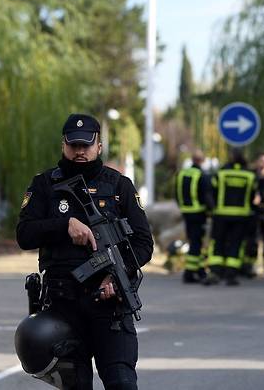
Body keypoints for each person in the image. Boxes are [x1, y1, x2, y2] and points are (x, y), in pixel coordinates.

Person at [16, 113, 153, 389]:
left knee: (123, 383)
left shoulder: (119, 186)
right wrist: (64, 225)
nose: (80, 151)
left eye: (86, 145)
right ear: (63, 145)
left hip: (110, 308)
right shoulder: (44, 185)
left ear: (99, 146)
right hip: (63, 308)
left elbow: (143, 243)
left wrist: (116, 277)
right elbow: (25, 234)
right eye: (73, 145)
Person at [203, 148, 257, 286]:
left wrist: (213, 207)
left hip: (221, 215)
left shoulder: (221, 173)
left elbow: (210, 191)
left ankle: (215, 272)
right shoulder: (249, 175)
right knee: (236, 244)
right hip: (241, 216)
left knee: (218, 244)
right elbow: (253, 196)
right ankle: (231, 275)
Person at [175, 149, 214, 283]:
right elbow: (207, 195)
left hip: (186, 213)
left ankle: (196, 270)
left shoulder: (182, 174)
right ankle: (191, 273)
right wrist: (211, 211)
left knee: (193, 241)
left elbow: (176, 193)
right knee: (197, 243)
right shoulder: (202, 175)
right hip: (199, 213)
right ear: (202, 161)